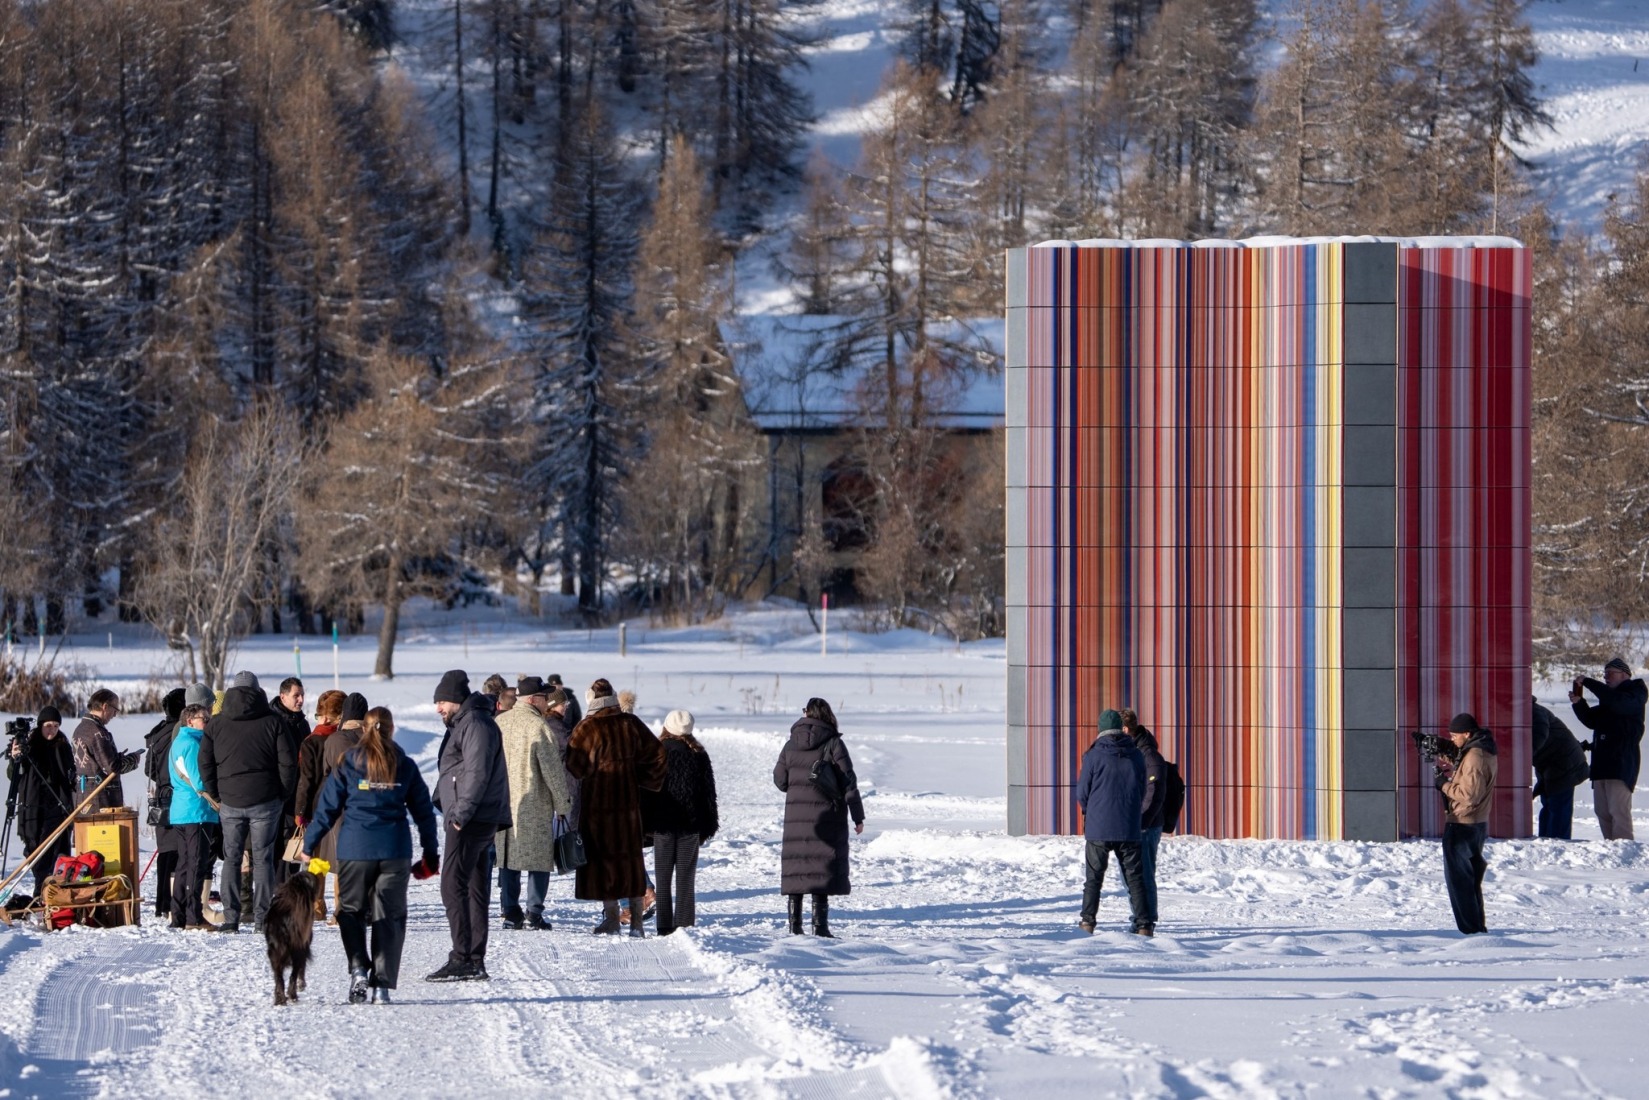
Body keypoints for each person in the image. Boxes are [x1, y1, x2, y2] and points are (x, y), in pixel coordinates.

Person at [305, 707, 439, 1004]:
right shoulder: (403, 763)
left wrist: (309, 844)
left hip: (355, 849)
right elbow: (424, 813)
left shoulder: (349, 763)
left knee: (350, 911)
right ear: (391, 730)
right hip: (394, 850)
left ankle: (357, 968)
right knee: (389, 916)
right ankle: (381, 985)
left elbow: (327, 809)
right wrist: (431, 853)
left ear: (363, 730)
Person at [427, 670, 511, 981]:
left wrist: (461, 812)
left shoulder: (475, 723)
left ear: (456, 700)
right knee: (475, 887)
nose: (439, 708)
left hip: (472, 817)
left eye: (442, 702)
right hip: (477, 815)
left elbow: (477, 773)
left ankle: (463, 957)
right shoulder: (470, 721)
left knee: (452, 884)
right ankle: (474, 958)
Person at [564, 678, 665, 936]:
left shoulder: (587, 727)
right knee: (631, 861)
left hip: (597, 808)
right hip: (628, 807)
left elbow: (575, 767)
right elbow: (658, 754)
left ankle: (611, 918)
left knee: (603, 862)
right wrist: (641, 780)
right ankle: (637, 925)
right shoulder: (630, 723)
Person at [200, 671, 297, 933]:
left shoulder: (216, 724)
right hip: (266, 800)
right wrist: (283, 793)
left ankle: (231, 918)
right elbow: (288, 762)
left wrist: (216, 793)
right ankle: (262, 919)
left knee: (231, 858)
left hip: (230, 800)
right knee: (263, 859)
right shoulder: (273, 721)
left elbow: (204, 763)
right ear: (258, 692)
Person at [774, 698, 865, 938]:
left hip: (795, 817)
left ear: (807, 714)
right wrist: (858, 816)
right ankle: (820, 927)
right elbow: (849, 782)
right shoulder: (834, 743)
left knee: (796, 868)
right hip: (826, 816)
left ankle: (794, 926)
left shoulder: (790, 745)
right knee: (820, 867)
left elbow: (780, 780)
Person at [495, 676, 573, 931]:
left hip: (503, 803)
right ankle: (534, 912)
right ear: (533, 699)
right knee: (539, 858)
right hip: (534, 804)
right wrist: (563, 805)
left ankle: (510, 911)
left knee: (508, 857)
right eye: (544, 696)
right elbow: (552, 771)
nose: (548, 700)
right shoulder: (538, 727)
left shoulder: (500, 722)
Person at [1074, 709, 1151, 936]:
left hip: (1098, 827)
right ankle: (1144, 925)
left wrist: (1091, 811)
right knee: (1135, 879)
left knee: (1094, 879)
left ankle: (1088, 923)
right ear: (1121, 728)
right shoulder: (1136, 755)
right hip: (1128, 825)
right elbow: (1143, 788)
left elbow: (1082, 792)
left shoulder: (1093, 756)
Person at [643, 709, 718, 935]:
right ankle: (685, 926)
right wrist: (707, 826)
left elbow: (645, 793)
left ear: (667, 727)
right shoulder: (698, 754)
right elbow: (708, 796)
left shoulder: (656, 753)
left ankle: (664, 927)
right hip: (691, 825)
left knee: (663, 878)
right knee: (686, 880)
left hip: (662, 826)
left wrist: (646, 824)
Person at [1435, 712, 1498, 935]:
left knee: (1460, 881)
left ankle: (1470, 930)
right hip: (1475, 823)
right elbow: (1465, 766)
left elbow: (1468, 794)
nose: (1453, 739)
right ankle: (1476, 928)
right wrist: (1441, 748)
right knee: (1470, 880)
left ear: (1467, 734)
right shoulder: (1481, 749)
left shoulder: (1476, 756)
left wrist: (1443, 785)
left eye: (1454, 735)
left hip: (1463, 823)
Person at [1569, 658, 1645, 840]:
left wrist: (1588, 682)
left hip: (1621, 763)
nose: (1606, 678)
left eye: (1610, 673)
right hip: (1602, 764)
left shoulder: (1634, 694)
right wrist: (1579, 703)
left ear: (1625, 675)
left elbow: (1617, 702)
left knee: (1618, 810)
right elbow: (1591, 720)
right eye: (1604, 674)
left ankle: (1624, 851)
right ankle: (1610, 850)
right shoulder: (1609, 702)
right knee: (1602, 811)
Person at [6, 706, 76, 895]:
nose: (51, 730)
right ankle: (41, 892)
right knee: (37, 853)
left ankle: (56, 894)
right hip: (34, 808)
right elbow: (14, 776)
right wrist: (15, 758)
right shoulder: (29, 745)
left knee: (59, 853)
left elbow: (71, 774)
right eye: (48, 725)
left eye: (55, 726)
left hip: (59, 806)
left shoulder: (62, 745)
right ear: (40, 726)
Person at [294, 689, 347, 918]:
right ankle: (339, 902)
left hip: (317, 806)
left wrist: (301, 810)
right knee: (339, 856)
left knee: (318, 857)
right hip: (344, 806)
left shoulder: (311, 742)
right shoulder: (347, 739)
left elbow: (306, 780)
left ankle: (317, 904)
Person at [168, 702, 220, 931]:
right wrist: (218, 795)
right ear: (190, 721)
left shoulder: (178, 742)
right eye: (204, 719)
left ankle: (178, 915)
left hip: (181, 810)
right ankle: (193, 916)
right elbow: (200, 781)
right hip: (196, 810)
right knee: (196, 864)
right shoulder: (191, 744)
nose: (207, 723)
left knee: (184, 865)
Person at [1122, 708, 1166, 933]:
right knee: (1134, 874)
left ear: (1125, 729)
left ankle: (1145, 921)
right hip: (1138, 824)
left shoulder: (1148, 755)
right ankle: (1141, 918)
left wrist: (1140, 822)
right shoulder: (1137, 751)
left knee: (1143, 874)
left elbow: (1154, 791)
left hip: (1145, 826)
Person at [144, 687, 188, 918]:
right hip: (179, 794)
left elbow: (147, 768)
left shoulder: (156, 733)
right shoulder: (180, 732)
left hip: (161, 795)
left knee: (165, 851)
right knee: (178, 850)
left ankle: (162, 902)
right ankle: (172, 903)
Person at [71, 688, 140, 812]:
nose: (115, 714)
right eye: (115, 709)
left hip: (83, 797)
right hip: (100, 800)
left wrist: (117, 756)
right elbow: (112, 767)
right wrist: (133, 760)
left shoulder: (80, 729)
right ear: (105, 706)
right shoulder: (98, 733)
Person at [270, 677, 311, 885]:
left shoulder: (302, 723)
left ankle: (290, 890)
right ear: (283, 696)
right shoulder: (273, 721)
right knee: (278, 846)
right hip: (277, 793)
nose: (301, 700)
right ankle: (279, 890)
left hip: (297, 793)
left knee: (295, 844)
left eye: (302, 695)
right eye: (296, 695)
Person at [1531, 698, 1590, 840]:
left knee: (1558, 807)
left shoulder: (1534, 711)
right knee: (1548, 805)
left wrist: (1523, 758)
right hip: (1551, 767)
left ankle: (1559, 844)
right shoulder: (1527, 711)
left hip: (1566, 765)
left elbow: (1540, 735)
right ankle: (1545, 842)